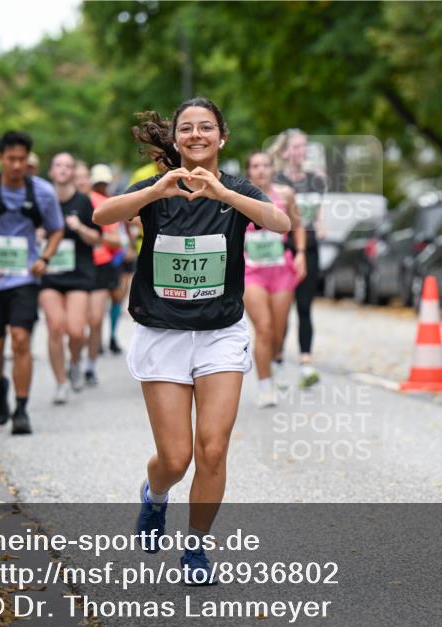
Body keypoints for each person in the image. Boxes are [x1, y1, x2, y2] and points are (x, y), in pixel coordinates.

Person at [93, 98, 290, 583]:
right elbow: (103, 216)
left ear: (222, 137)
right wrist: (154, 190)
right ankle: (154, 497)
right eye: (187, 128)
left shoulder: (237, 189)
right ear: (177, 138)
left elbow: (281, 223)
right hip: (163, 334)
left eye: (207, 128)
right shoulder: (160, 187)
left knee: (214, 450)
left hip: (220, 334)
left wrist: (225, 195)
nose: (196, 135)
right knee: (176, 458)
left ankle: (196, 550)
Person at [0, 130, 65, 435]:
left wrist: (44, 259)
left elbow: (56, 229)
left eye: (22, 159)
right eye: (11, 159)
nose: (17, 165)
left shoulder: (42, 192)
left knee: (21, 340)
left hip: (24, 279)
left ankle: (21, 409)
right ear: (1, 159)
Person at [242, 151, 306, 407]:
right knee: (264, 328)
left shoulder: (286, 194)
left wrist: (301, 253)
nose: (260, 170)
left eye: (265, 165)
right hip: (251, 272)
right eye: (255, 166)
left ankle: (276, 358)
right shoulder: (240, 196)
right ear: (249, 171)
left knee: (279, 331)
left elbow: (298, 225)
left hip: (281, 270)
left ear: (272, 169)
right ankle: (265, 386)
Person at [39, 152, 102, 402]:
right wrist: (38, 234)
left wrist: (79, 227)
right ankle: (60, 383)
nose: (63, 169)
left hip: (78, 274)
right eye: (58, 165)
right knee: (55, 327)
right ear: (51, 172)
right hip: (50, 273)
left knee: (76, 332)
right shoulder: (43, 201)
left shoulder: (84, 202)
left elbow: (96, 238)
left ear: (73, 172)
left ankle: (74, 362)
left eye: (68, 166)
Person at [273, 129, 326, 388]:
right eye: (295, 147)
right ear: (284, 151)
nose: (300, 151)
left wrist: (321, 224)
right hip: (284, 249)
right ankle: (278, 360)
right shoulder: (277, 181)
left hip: (311, 247)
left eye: (304, 147)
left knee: (305, 307)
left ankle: (306, 363)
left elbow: (318, 212)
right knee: (281, 310)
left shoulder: (316, 179)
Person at [86, 163, 126, 382]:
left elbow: (117, 236)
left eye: (104, 182)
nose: (101, 186)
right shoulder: (93, 201)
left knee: (115, 298)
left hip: (107, 262)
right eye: (98, 182)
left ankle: (106, 340)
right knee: (93, 315)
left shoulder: (109, 201)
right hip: (91, 264)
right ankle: (96, 346)